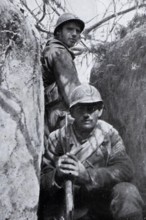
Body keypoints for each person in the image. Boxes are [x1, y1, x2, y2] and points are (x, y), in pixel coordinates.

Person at [38, 84, 144, 220]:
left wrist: (88, 176)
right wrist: (58, 175)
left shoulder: (109, 134)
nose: (86, 114)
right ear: (71, 113)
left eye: (92, 108)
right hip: (71, 205)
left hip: (100, 201)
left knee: (127, 191)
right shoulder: (57, 138)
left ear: (99, 111)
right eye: (80, 109)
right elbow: (42, 182)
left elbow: (125, 169)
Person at [41, 13, 85, 134]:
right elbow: (72, 92)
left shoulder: (51, 50)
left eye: (78, 31)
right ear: (58, 32)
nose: (75, 34)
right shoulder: (60, 53)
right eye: (70, 29)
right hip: (62, 118)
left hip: (51, 118)